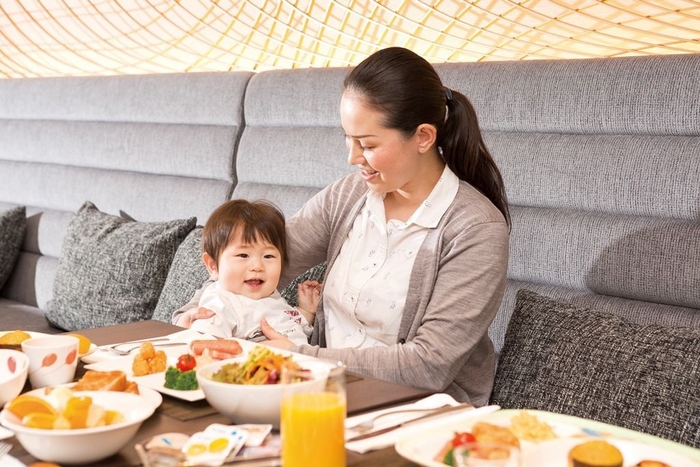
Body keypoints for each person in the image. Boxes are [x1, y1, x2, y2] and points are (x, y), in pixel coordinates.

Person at [174, 47, 510, 406]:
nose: (352, 157)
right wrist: (196, 313)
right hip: (324, 392)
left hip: (420, 409)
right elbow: (263, 261)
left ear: (424, 137)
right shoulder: (348, 196)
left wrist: (299, 356)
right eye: (348, 139)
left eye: (367, 144)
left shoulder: (476, 229)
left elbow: (428, 366)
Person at [189, 199, 321, 345]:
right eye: (243, 255)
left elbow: (289, 327)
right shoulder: (221, 304)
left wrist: (306, 311)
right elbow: (206, 347)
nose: (258, 266)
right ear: (213, 265)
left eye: (268, 256)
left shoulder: (272, 297)